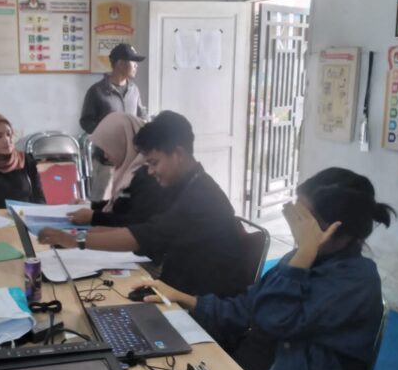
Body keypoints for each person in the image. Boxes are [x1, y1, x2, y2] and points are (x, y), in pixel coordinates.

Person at [140, 167, 395, 370]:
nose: (294, 225)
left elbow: (274, 319)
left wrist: (304, 253)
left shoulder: (355, 281)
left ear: (337, 231)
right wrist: (186, 298)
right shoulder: (302, 259)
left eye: (303, 220)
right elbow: (249, 307)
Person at [39, 110, 244, 297]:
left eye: (154, 163)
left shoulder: (200, 196)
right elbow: (145, 227)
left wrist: (76, 240)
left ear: (179, 155)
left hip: (201, 302)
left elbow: (143, 235)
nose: (151, 171)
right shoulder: (184, 185)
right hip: (178, 285)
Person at [67, 112, 167, 227]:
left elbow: (135, 221)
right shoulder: (127, 172)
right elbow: (120, 205)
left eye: (109, 147)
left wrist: (93, 217)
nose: (105, 156)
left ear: (122, 143)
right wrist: (89, 206)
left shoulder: (146, 175)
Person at [80, 43, 147, 201]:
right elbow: (86, 122)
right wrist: (106, 137)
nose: (136, 66)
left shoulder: (134, 90)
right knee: (101, 202)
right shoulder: (97, 91)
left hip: (130, 162)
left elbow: (141, 116)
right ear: (120, 64)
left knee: (125, 203)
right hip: (106, 161)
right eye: (133, 62)